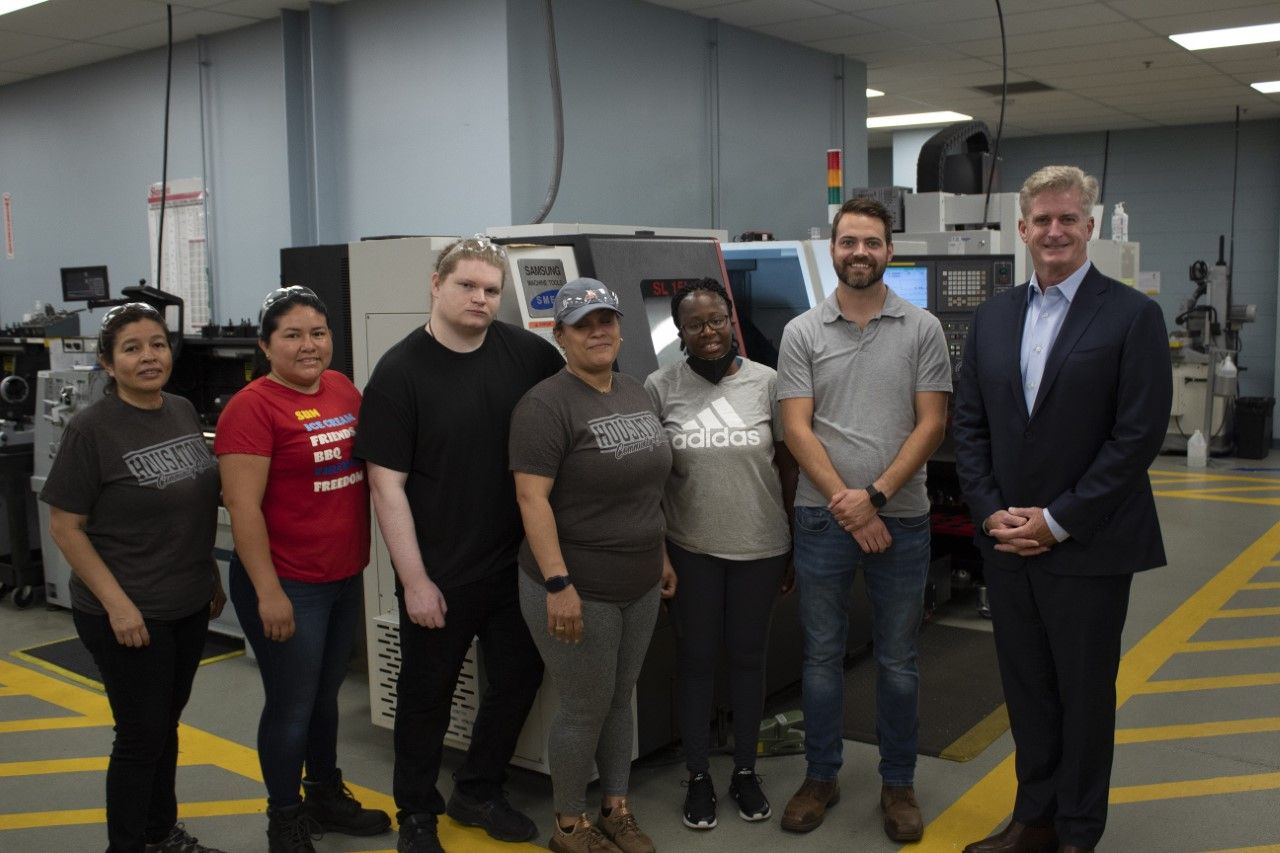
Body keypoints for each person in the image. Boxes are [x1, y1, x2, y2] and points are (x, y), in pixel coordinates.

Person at [952, 166, 1171, 853]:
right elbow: (970, 424)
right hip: (1008, 543)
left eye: (1067, 219)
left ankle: (1078, 830)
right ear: (1022, 229)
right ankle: (1034, 817)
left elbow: (1136, 437)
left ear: (1090, 227)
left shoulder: (1132, 315)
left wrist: (1056, 520)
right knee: (1028, 690)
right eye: (1041, 219)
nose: (1054, 231)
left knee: (1082, 695)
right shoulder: (993, 316)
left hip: (1089, 544)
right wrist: (991, 513)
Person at [356, 237, 564, 853]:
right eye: (468, 286)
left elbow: (571, 413)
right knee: (426, 697)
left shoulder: (527, 354)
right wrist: (415, 581)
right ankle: (417, 813)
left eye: (491, 290)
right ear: (436, 285)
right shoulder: (399, 373)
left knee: (518, 680)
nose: (480, 299)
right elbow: (385, 487)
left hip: (514, 566)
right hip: (440, 571)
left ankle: (479, 788)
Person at [776, 196, 951, 842]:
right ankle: (821, 774)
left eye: (871, 242)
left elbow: (932, 422)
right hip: (823, 521)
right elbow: (796, 427)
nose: (859, 252)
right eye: (849, 241)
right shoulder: (802, 332)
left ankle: (897, 782)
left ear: (888, 251)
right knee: (820, 658)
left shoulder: (923, 328)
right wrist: (847, 504)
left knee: (899, 660)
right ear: (833, 249)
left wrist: (872, 497)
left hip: (900, 518)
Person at [41, 302, 225, 853]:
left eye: (158, 344)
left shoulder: (181, 410)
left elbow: (191, 509)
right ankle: (126, 845)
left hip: (188, 602)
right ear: (106, 361)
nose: (149, 357)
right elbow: (65, 527)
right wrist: (118, 605)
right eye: (132, 348)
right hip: (125, 612)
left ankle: (159, 832)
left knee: (164, 727)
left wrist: (210, 577)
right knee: (141, 737)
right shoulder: (90, 430)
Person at [217, 286, 390, 853]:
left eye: (317, 333)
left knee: (324, 697)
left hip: (341, 576)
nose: (308, 345)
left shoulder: (341, 388)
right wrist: (269, 593)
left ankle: (323, 794)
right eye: (292, 335)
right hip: (288, 582)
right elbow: (243, 509)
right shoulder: (252, 408)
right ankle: (284, 818)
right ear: (266, 346)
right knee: (292, 703)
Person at [510, 278, 675, 853]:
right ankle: (569, 824)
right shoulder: (545, 405)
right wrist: (558, 583)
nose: (598, 331)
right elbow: (532, 500)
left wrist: (659, 554)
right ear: (560, 336)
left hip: (640, 579)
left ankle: (616, 808)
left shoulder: (634, 390)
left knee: (620, 695)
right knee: (583, 705)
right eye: (583, 324)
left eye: (606, 320)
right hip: (580, 585)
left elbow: (646, 487)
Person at [643, 278, 797, 831]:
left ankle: (746, 771)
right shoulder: (659, 387)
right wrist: (659, 554)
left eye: (716, 320)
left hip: (760, 546)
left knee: (750, 662)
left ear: (730, 320)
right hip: (692, 550)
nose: (708, 332)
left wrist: (793, 546)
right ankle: (700, 776)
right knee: (697, 662)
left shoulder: (768, 383)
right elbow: (652, 484)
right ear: (679, 332)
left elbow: (787, 466)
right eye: (694, 324)